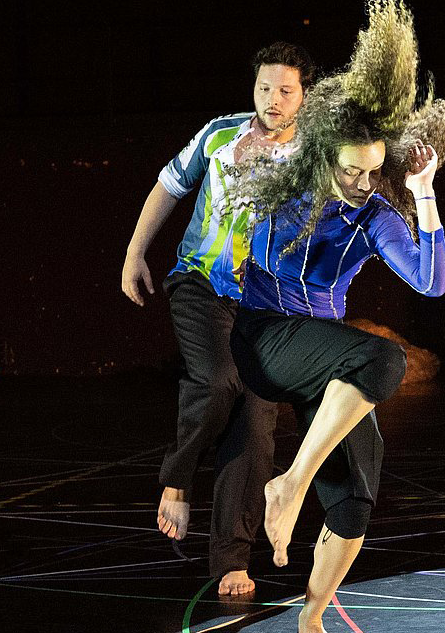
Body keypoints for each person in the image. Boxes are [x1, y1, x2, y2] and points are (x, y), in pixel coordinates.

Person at [225, 0, 445, 633]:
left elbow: (433, 281)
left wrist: (423, 192)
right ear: (326, 154)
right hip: (265, 336)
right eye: (352, 170)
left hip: (322, 360)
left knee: (356, 499)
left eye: (372, 171)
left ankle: (311, 617)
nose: (361, 181)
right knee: (384, 360)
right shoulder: (289, 179)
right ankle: (289, 483)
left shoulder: (376, 214)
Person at [119, 44, 313, 599]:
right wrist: (135, 253)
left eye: (286, 90)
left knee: (255, 430)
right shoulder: (219, 134)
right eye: (264, 88)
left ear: (303, 96)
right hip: (200, 284)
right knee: (218, 380)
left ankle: (232, 559)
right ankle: (176, 480)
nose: (272, 100)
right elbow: (168, 186)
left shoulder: (312, 153)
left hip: (266, 305)